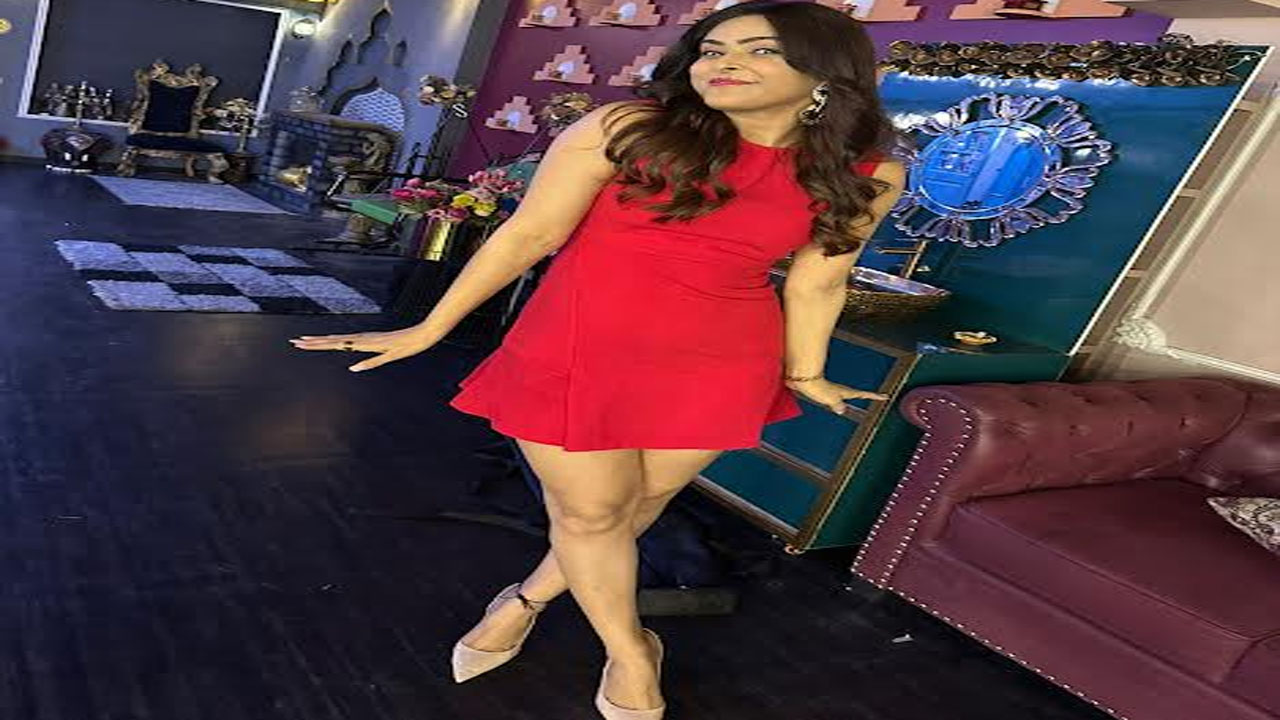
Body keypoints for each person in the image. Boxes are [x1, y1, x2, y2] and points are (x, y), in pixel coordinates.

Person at [291, 1, 905, 717]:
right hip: (578, 343)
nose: (723, 63)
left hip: (722, 359)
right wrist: (430, 328)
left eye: (758, 49)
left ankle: (524, 600)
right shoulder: (626, 129)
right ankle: (632, 651)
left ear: (825, 73)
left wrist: (806, 374)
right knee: (592, 515)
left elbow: (818, 281)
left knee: (632, 508)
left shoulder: (867, 173)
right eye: (711, 50)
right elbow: (529, 236)